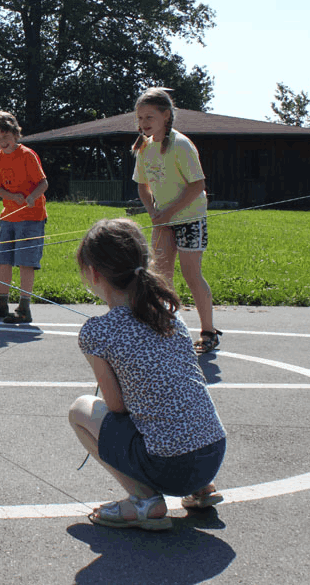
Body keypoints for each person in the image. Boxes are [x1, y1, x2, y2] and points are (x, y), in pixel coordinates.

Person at [68, 218, 226, 531]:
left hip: (168, 466)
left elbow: (115, 407)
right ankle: (201, 488)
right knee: (174, 409)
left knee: (80, 410)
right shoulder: (168, 311)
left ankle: (144, 500)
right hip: (212, 454)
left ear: (94, 273)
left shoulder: (97, 331)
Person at [132, 87, 221, 354]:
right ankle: (165, 327)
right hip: (163, 220)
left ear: (166, 116)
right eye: (140, 118)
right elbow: (142, 186)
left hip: (189, 218)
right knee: (161, 276)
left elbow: (197, 185)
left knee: (192, 275)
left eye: (149, 117)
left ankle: (209, 332)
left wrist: (169, 212)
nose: (143, 123)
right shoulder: (144, 148)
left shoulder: (181, 145)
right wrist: (153, 210)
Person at [0, 111, 48, 324]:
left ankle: (24, 307)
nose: (1, 143)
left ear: (15, 134)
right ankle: (1, 303)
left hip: (31, 217)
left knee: (26, 262)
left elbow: (43, 183)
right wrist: (12, 196)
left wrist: (32, 196)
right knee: (3, 260)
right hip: (8, 217)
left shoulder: (27, 155)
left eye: (5, 138)